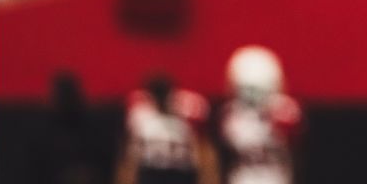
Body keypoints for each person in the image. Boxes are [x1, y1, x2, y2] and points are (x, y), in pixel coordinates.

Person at [219, 46, 302, 184]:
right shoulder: (233, 115)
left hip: (274, 178)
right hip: (245, 178)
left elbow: (294, 142)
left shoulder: (285, 110)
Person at [115, 74, 218, 184]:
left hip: (181, 174)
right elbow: (129, 159)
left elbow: (204, 152)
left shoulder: (187, 118)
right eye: (158, 93)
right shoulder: (140, 118)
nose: (162, 98)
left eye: (164, 93)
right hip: (151, 173)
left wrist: (208, 176)